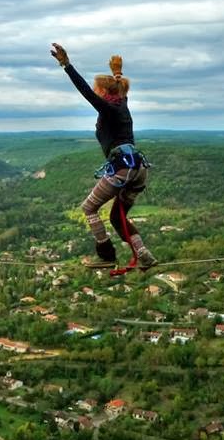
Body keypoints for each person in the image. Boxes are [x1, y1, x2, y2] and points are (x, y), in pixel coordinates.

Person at [50, 42, 157, 271]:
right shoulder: (122, 105)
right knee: (118, 219)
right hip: (138, 169)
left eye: (97, 88)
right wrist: (117, 73)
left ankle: (107, 255)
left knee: (89, 208)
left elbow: (85, 91)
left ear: (103, 93)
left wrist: (67, 65)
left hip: (121, 168)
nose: (94, 90)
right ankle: (144, 254)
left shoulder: (108, 108)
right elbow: (120, 90)